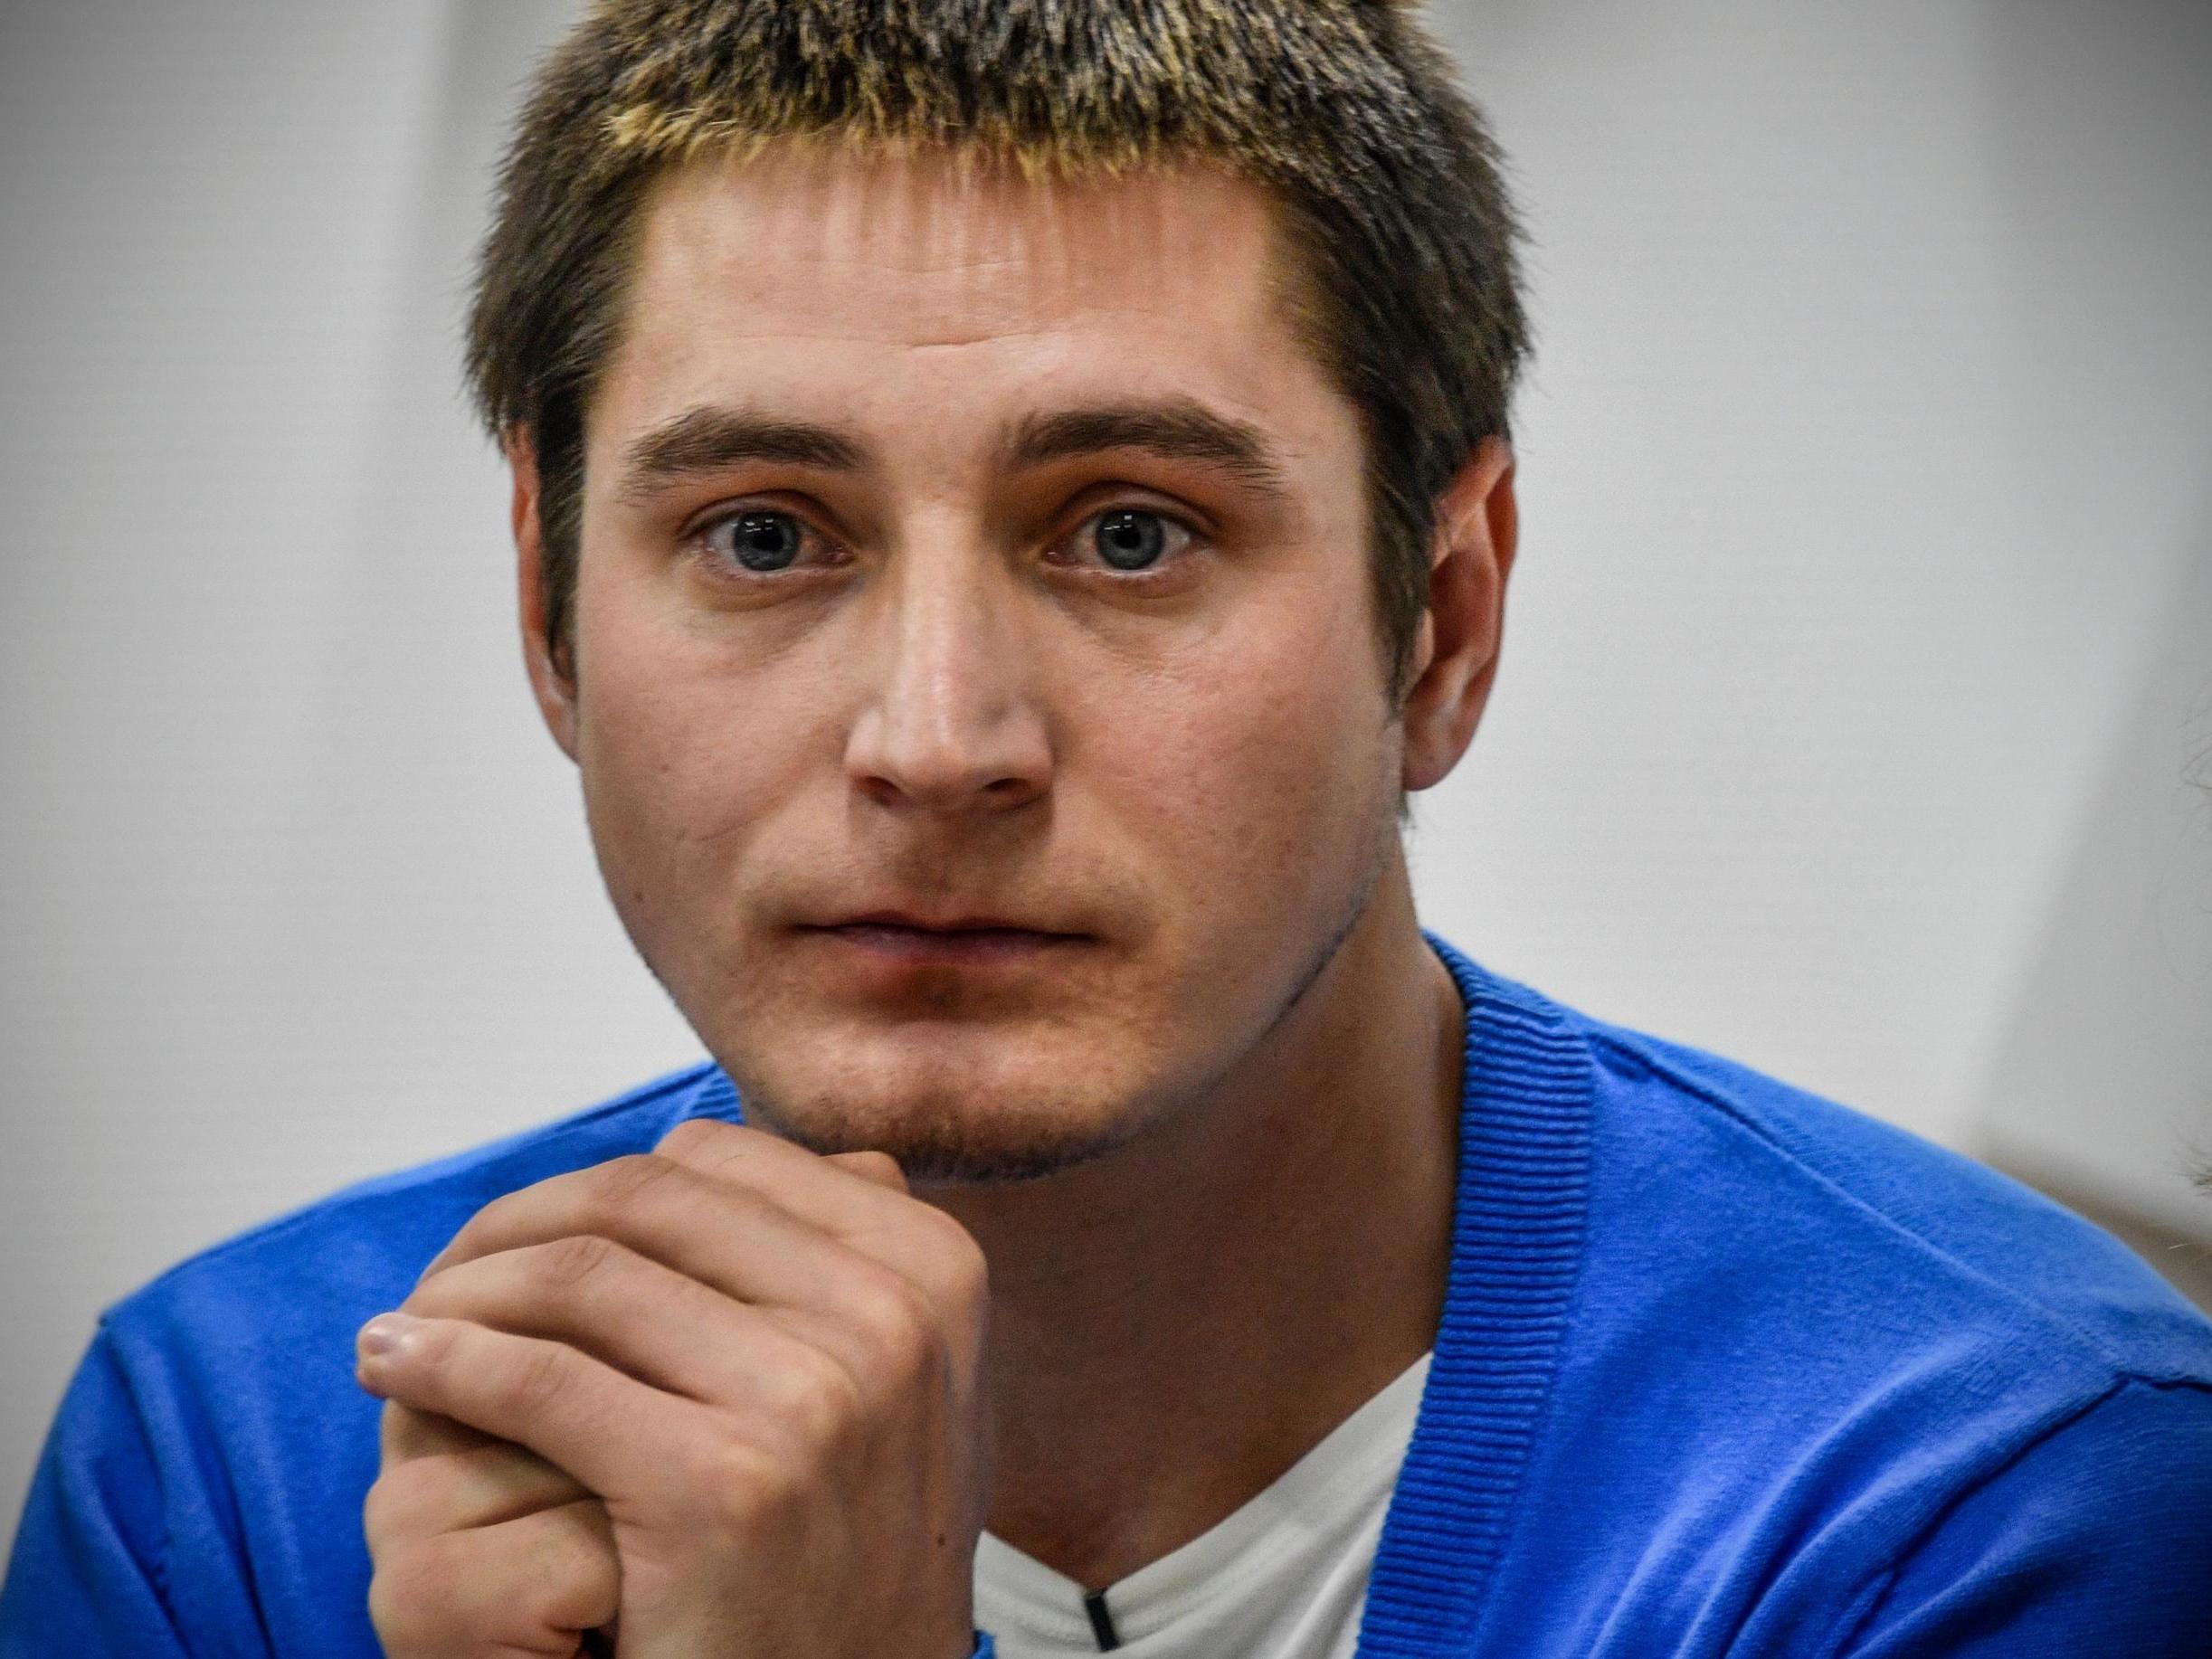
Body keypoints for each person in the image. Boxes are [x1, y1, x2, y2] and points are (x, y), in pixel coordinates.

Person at [5, 0, 2209, 1652]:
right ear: (544, 613)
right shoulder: (246, 1459)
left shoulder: (1991, 1484)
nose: (935, 736)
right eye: (766, 532)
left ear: (1435, 621)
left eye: (1131, 532)